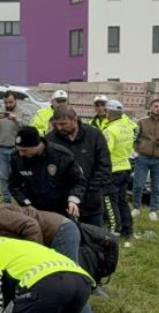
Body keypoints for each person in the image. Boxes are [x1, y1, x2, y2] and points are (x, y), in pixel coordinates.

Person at [47, 107, 112, 227]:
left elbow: (104, 166)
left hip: (92, 201)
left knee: (94, 239)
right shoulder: (51, 140)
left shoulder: (94, 135)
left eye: (63, 124)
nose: (60, 128)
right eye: (57, 125)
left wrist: (90, 190)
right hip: (63, 202)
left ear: (74, 120)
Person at [9, 126, 86, 218]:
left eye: (24, 150)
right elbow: (14, 184)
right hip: (34, 211)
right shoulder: (17, 158)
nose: (21, 154)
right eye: (18, 150)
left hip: (61, 211)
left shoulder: (61, 156)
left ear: (37, 145)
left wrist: (73, 200)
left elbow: (79, 182)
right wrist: (26, 203)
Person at [100, 100, 136, 243]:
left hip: (113, 170)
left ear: (109, 112)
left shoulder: (110, 130)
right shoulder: (127, 126)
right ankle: (128, 229)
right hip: (125, 167)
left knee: (110, 201)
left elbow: (105, 152)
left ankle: (115, 230)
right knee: (122, 201)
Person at [0, 90, 29, 203]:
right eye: (6, 102)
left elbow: (26, 128)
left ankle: (21, 199)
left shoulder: (23, 112)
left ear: (15, 100)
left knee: (19, 175)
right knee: (3, 176)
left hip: (17, 150)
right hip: (0, 148)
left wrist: (15, 118)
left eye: (10, 102)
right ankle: (6, 200)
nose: (8, 105)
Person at [133, 98, 159, 222]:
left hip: (158, 160)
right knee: (138, 185)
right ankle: (136, 208)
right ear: (150, 107)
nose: (158, 108)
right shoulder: (141, 122)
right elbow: (134, 138)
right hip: (142, 158)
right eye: (156, 106)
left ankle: (153, 211)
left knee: (156, 187)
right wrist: (137, 152)